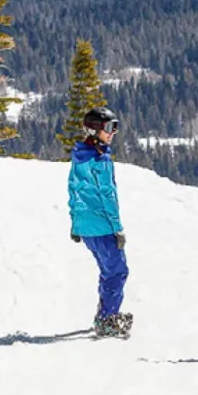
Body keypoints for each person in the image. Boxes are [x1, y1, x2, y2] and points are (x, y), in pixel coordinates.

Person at [69, 106, 131, 338]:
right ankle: (107, 319)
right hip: (102, 226)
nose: (113, 132)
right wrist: (117, 229)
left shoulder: (79, 154)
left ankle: (105, 312)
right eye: (108, 128)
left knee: (108, 270)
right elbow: (108, 196)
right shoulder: (100, 159)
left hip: (86, 227)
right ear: (95, 130)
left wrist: (76, 224)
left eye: (115, 127)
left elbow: (74, 188)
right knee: (117, 271)